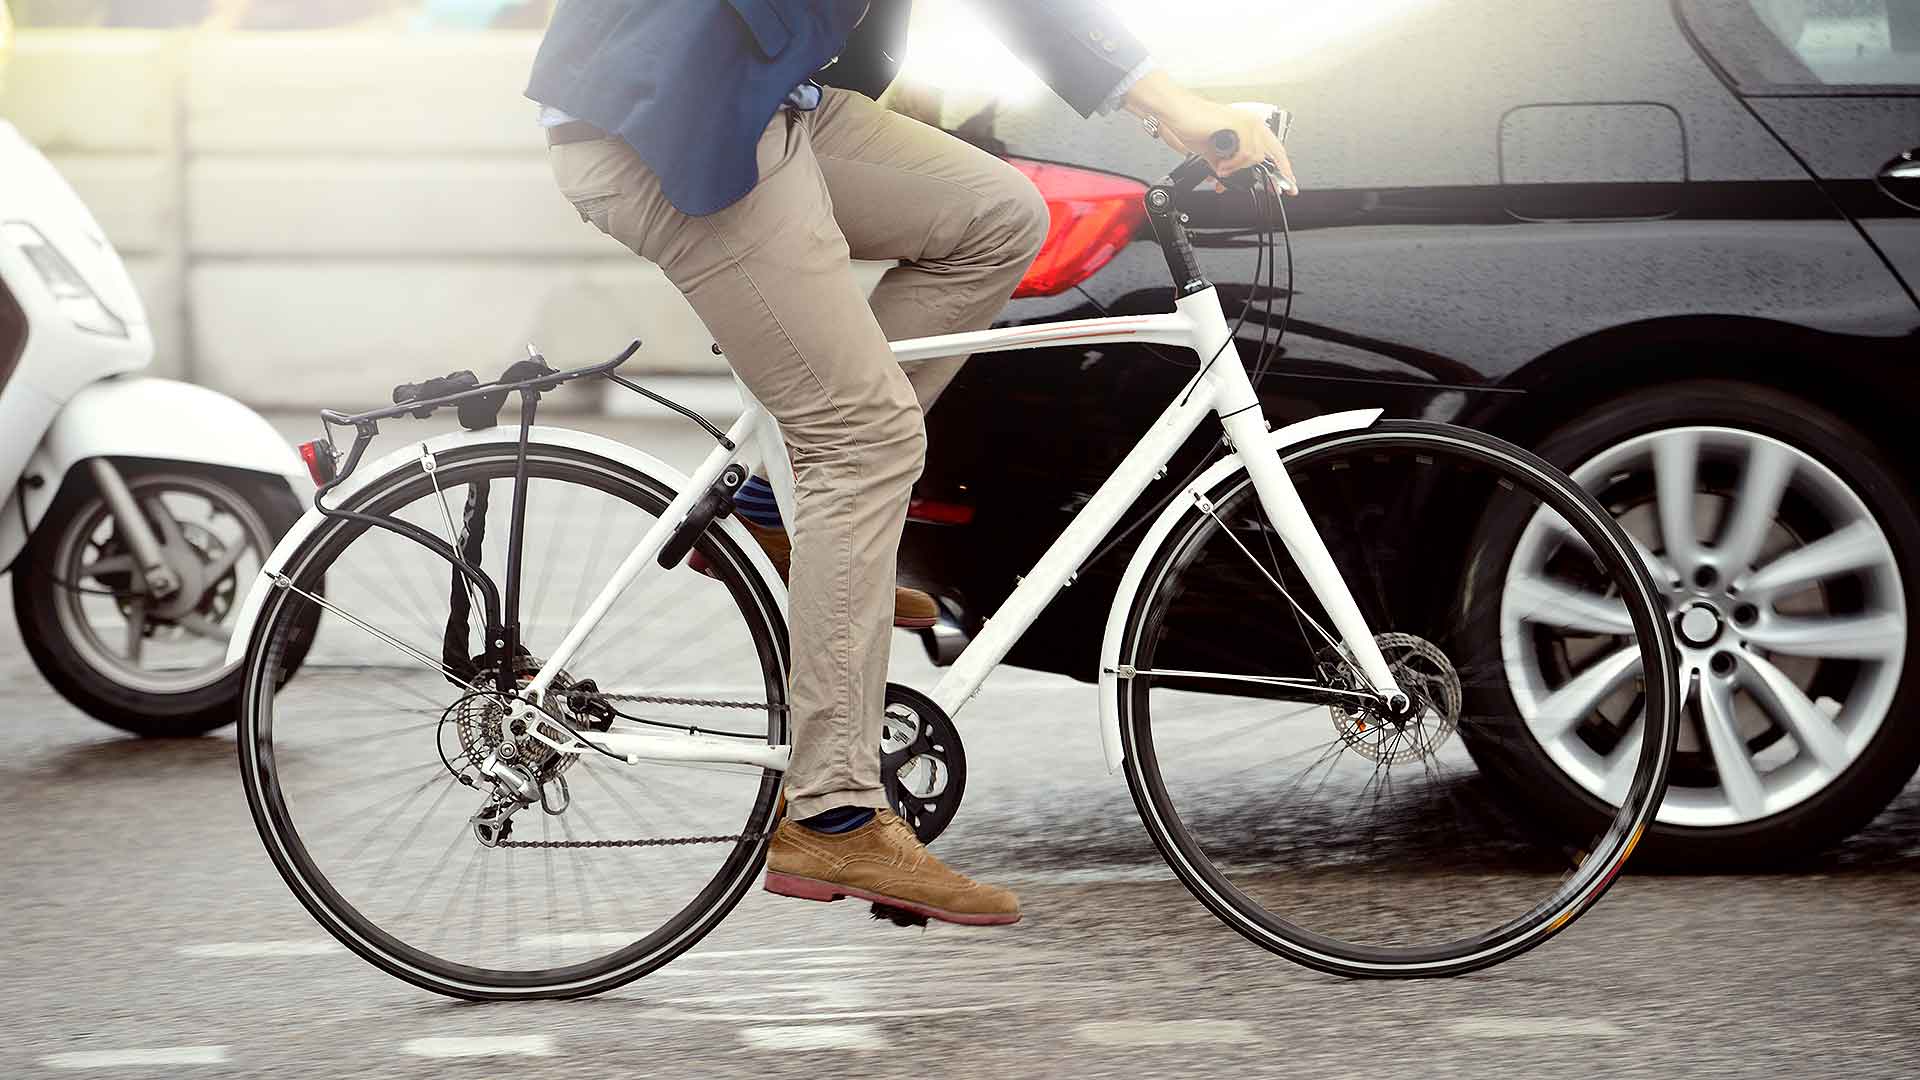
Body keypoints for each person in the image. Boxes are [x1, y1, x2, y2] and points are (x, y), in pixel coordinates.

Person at [530, 0, 1295, 927]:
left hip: (769, 99)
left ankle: (778, 499)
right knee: (865, 437)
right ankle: (834, 813)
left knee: (1000, 216)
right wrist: (1167, 100)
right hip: (676, 122)